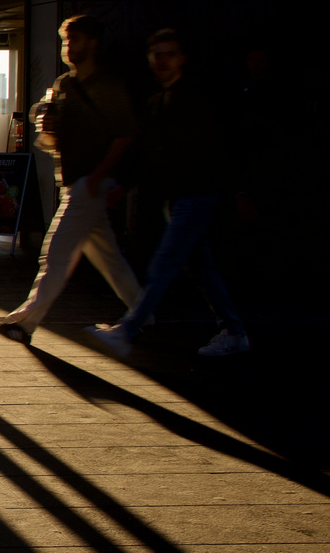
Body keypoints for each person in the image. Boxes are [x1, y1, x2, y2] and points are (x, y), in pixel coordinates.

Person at [87, 30, 249, 358]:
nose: (161, 60)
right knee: (199, 266)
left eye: (169, 54)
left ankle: (129, 329)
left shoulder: (192, 99)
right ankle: (233, 330)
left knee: (168, 260)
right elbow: (152, 153)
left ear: (182, 59)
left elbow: (216, 149)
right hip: (182, 195)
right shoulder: (160, 100)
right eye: (157, 54)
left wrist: (239, 190)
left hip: (195, 193)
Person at [0, 15, 143, 343]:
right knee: (110, 259)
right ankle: (145, 312)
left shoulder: (107, 86)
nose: (67, 47)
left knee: (55, 253)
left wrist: (99, 175)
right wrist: (49, 126)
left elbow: (126, 134)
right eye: (64, 40)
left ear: (93, 42)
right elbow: (52, 131)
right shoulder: (64, 85)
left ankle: (25, 322)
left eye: (73, 40)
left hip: (89, 183)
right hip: (76, 182)